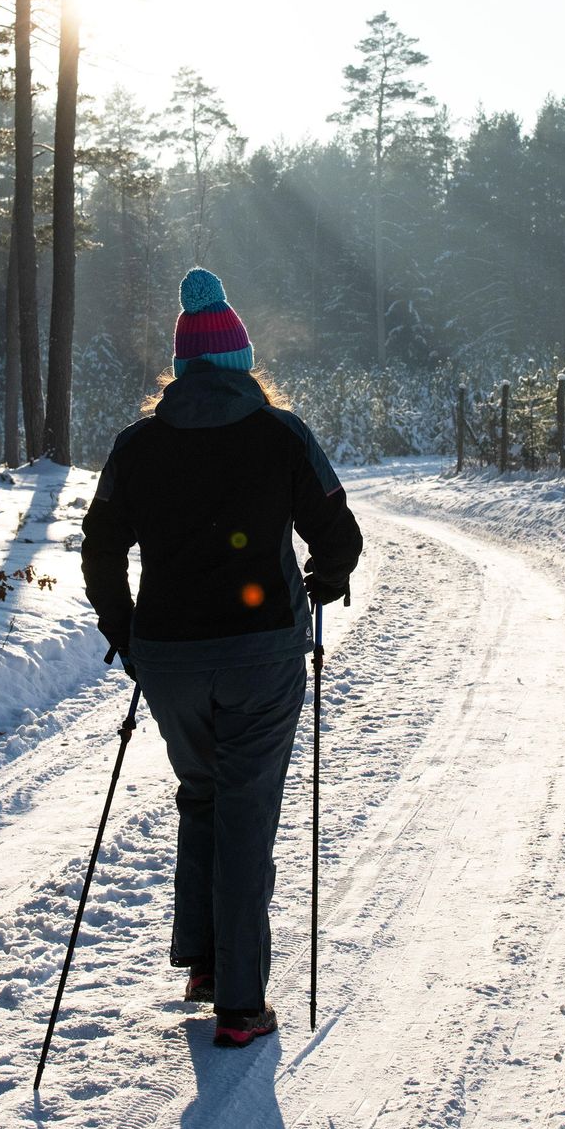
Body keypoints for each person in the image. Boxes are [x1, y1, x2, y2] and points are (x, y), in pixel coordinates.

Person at [80, 269, 363, 1048]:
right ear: (239, 361)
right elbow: (338, 535)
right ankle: (240, 1001)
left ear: (183, 368)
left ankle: (203, 960)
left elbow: (99, 545)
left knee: (203, 791)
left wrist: (125, 629)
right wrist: (325, 577)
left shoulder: (138, 446)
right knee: (244, 811)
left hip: (168, 659)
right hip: (261, 653)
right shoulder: (280, 433)